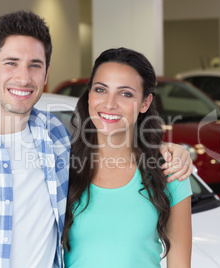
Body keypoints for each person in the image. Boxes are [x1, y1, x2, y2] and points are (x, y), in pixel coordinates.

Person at [0, 10, 192, 268]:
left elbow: (116, 145)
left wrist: (171, 150)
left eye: (34, 65)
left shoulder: (56, 138)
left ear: (47, 72)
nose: (24, 78)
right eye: (11, 63)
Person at [62, 48, 192, 267]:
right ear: (89, 95)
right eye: (101, 89)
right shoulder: (63, 167)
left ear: (145, 102)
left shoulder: (168, 171)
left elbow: (179, 263)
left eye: (126, 93)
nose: (110, 103)